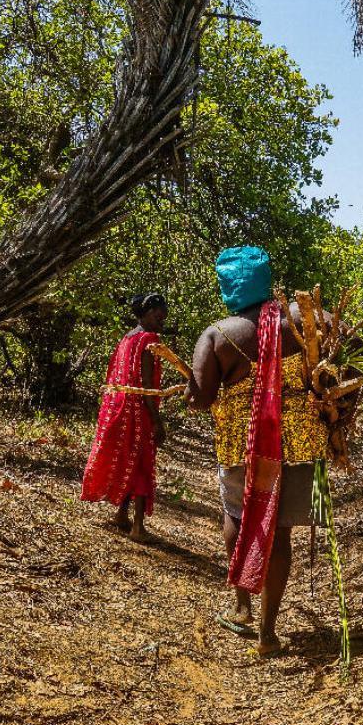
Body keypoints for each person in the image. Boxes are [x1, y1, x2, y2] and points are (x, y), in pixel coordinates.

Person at [185, 247, 330, 657]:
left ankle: (242, 606)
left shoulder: (218, 334)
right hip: (300, 444)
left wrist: (190, 392)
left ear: (228, 286)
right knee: (279, 530)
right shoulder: (303, 318)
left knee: (237, 515)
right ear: (265, 280)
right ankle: (268, 631)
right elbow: (348, 339)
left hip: (242, 446)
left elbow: (201, 398)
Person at [81, 293, 168, 542]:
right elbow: (147, 385)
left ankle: (121, 515)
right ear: (145, 313)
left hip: (118, 409)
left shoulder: (127, 338)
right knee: (141, 463)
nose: (161, 321)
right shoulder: (149, 340)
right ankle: (138, 527)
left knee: (129, 458)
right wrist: (157, 421)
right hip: (138, 411)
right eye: (158, 316)